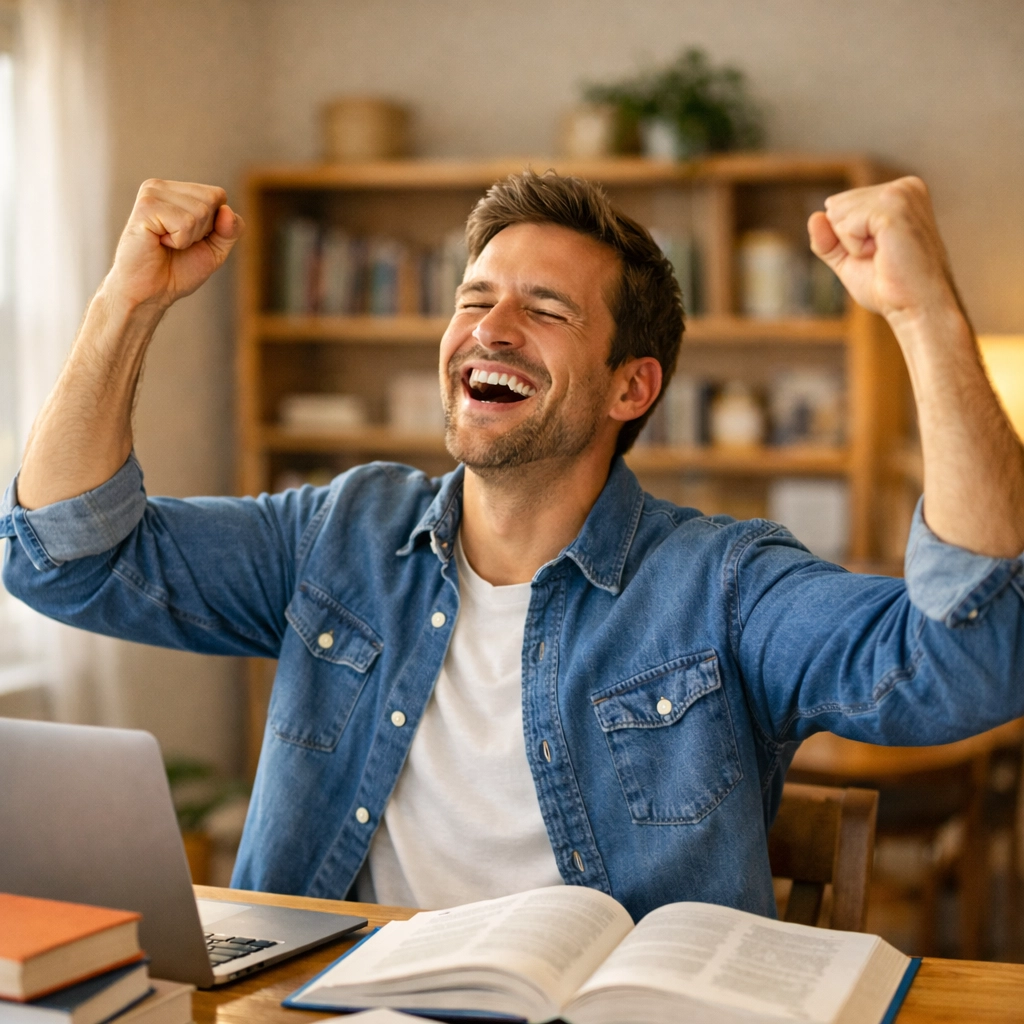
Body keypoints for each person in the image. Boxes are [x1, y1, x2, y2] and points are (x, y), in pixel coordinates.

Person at [2, 171, 1022, 923]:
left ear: (633, 387)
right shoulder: (341, 532)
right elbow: (63, 556)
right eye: (473, 299)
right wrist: (126, 303)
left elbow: (970, 659)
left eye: (543, 309)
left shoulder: (721, 583)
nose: (488, 330)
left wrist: (924, 314)